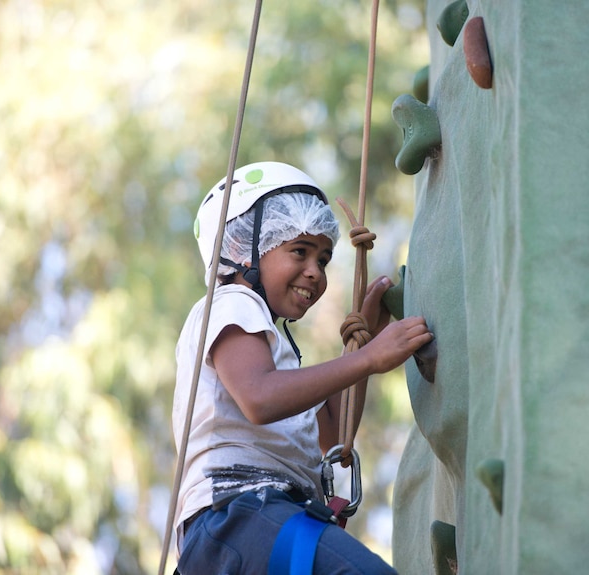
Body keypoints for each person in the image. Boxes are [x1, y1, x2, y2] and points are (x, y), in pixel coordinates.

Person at [172, 161, 433, 574]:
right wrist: (370, 358)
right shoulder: (232, 303)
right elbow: (259, 398)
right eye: (300, 251)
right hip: (237, 516)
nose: (315, 271)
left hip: (253, 528)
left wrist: (359, 348)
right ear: (245, 249)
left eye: (324, 260)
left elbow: (330, 433)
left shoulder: (271, 346)